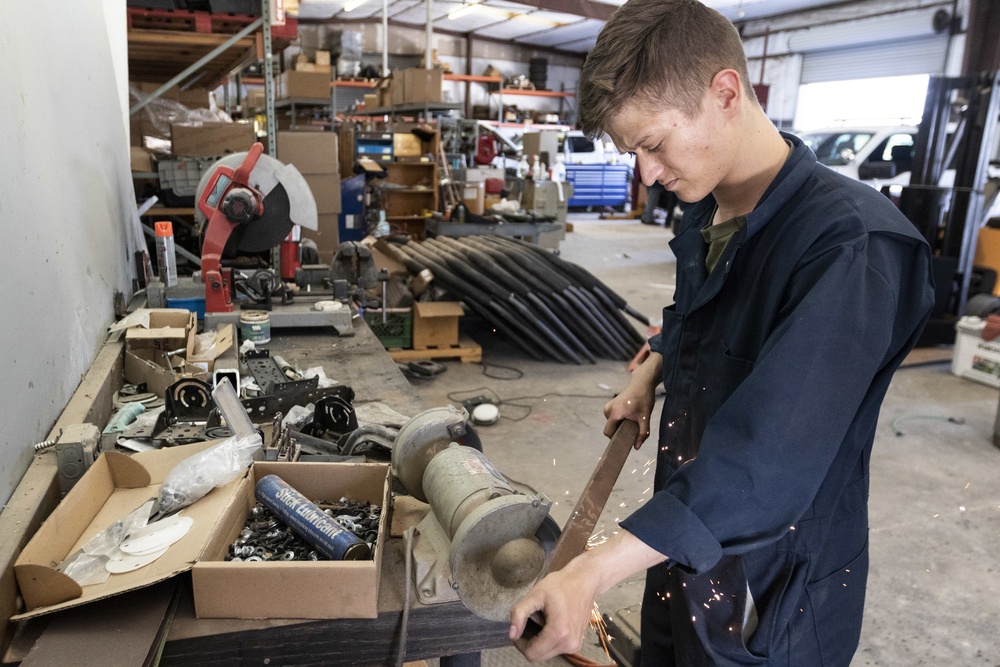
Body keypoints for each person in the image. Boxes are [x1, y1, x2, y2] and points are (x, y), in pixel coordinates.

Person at [508, 1, 935, 665]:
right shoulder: (708, 214)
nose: (646, 174)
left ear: (726, 92)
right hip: (679, 556)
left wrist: (592, 569)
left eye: (653, 143)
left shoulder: (851, 247)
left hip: (774, 594)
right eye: (632, 152)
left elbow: (767, 459)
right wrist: (651, 372)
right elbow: (697, 323)